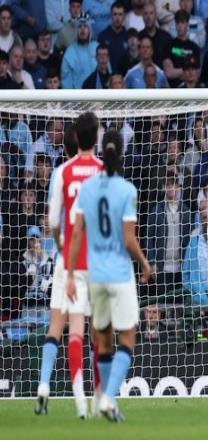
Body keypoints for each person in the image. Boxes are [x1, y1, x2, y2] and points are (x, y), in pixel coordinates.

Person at [66, 129, 151, 422]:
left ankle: (104, 398)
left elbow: (77, 232)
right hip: (120, 275)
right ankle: (108, 398)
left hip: (94, 275)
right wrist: (144, 263)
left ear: (101, 151)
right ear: (122, 152)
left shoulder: (87, 188)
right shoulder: (127, 190)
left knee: (102, 341)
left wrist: (70, 274)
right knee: (127, 337)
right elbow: (128, 240)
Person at [35, 116, 103, 419]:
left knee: (60, 324)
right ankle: (96, 396)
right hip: (96, 258)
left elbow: (52, 220)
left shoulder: (61, 172)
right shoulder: (102, 171)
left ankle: (46, 386)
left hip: (68, 258)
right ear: (95, 138)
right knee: (96, 329)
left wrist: (62, 249)